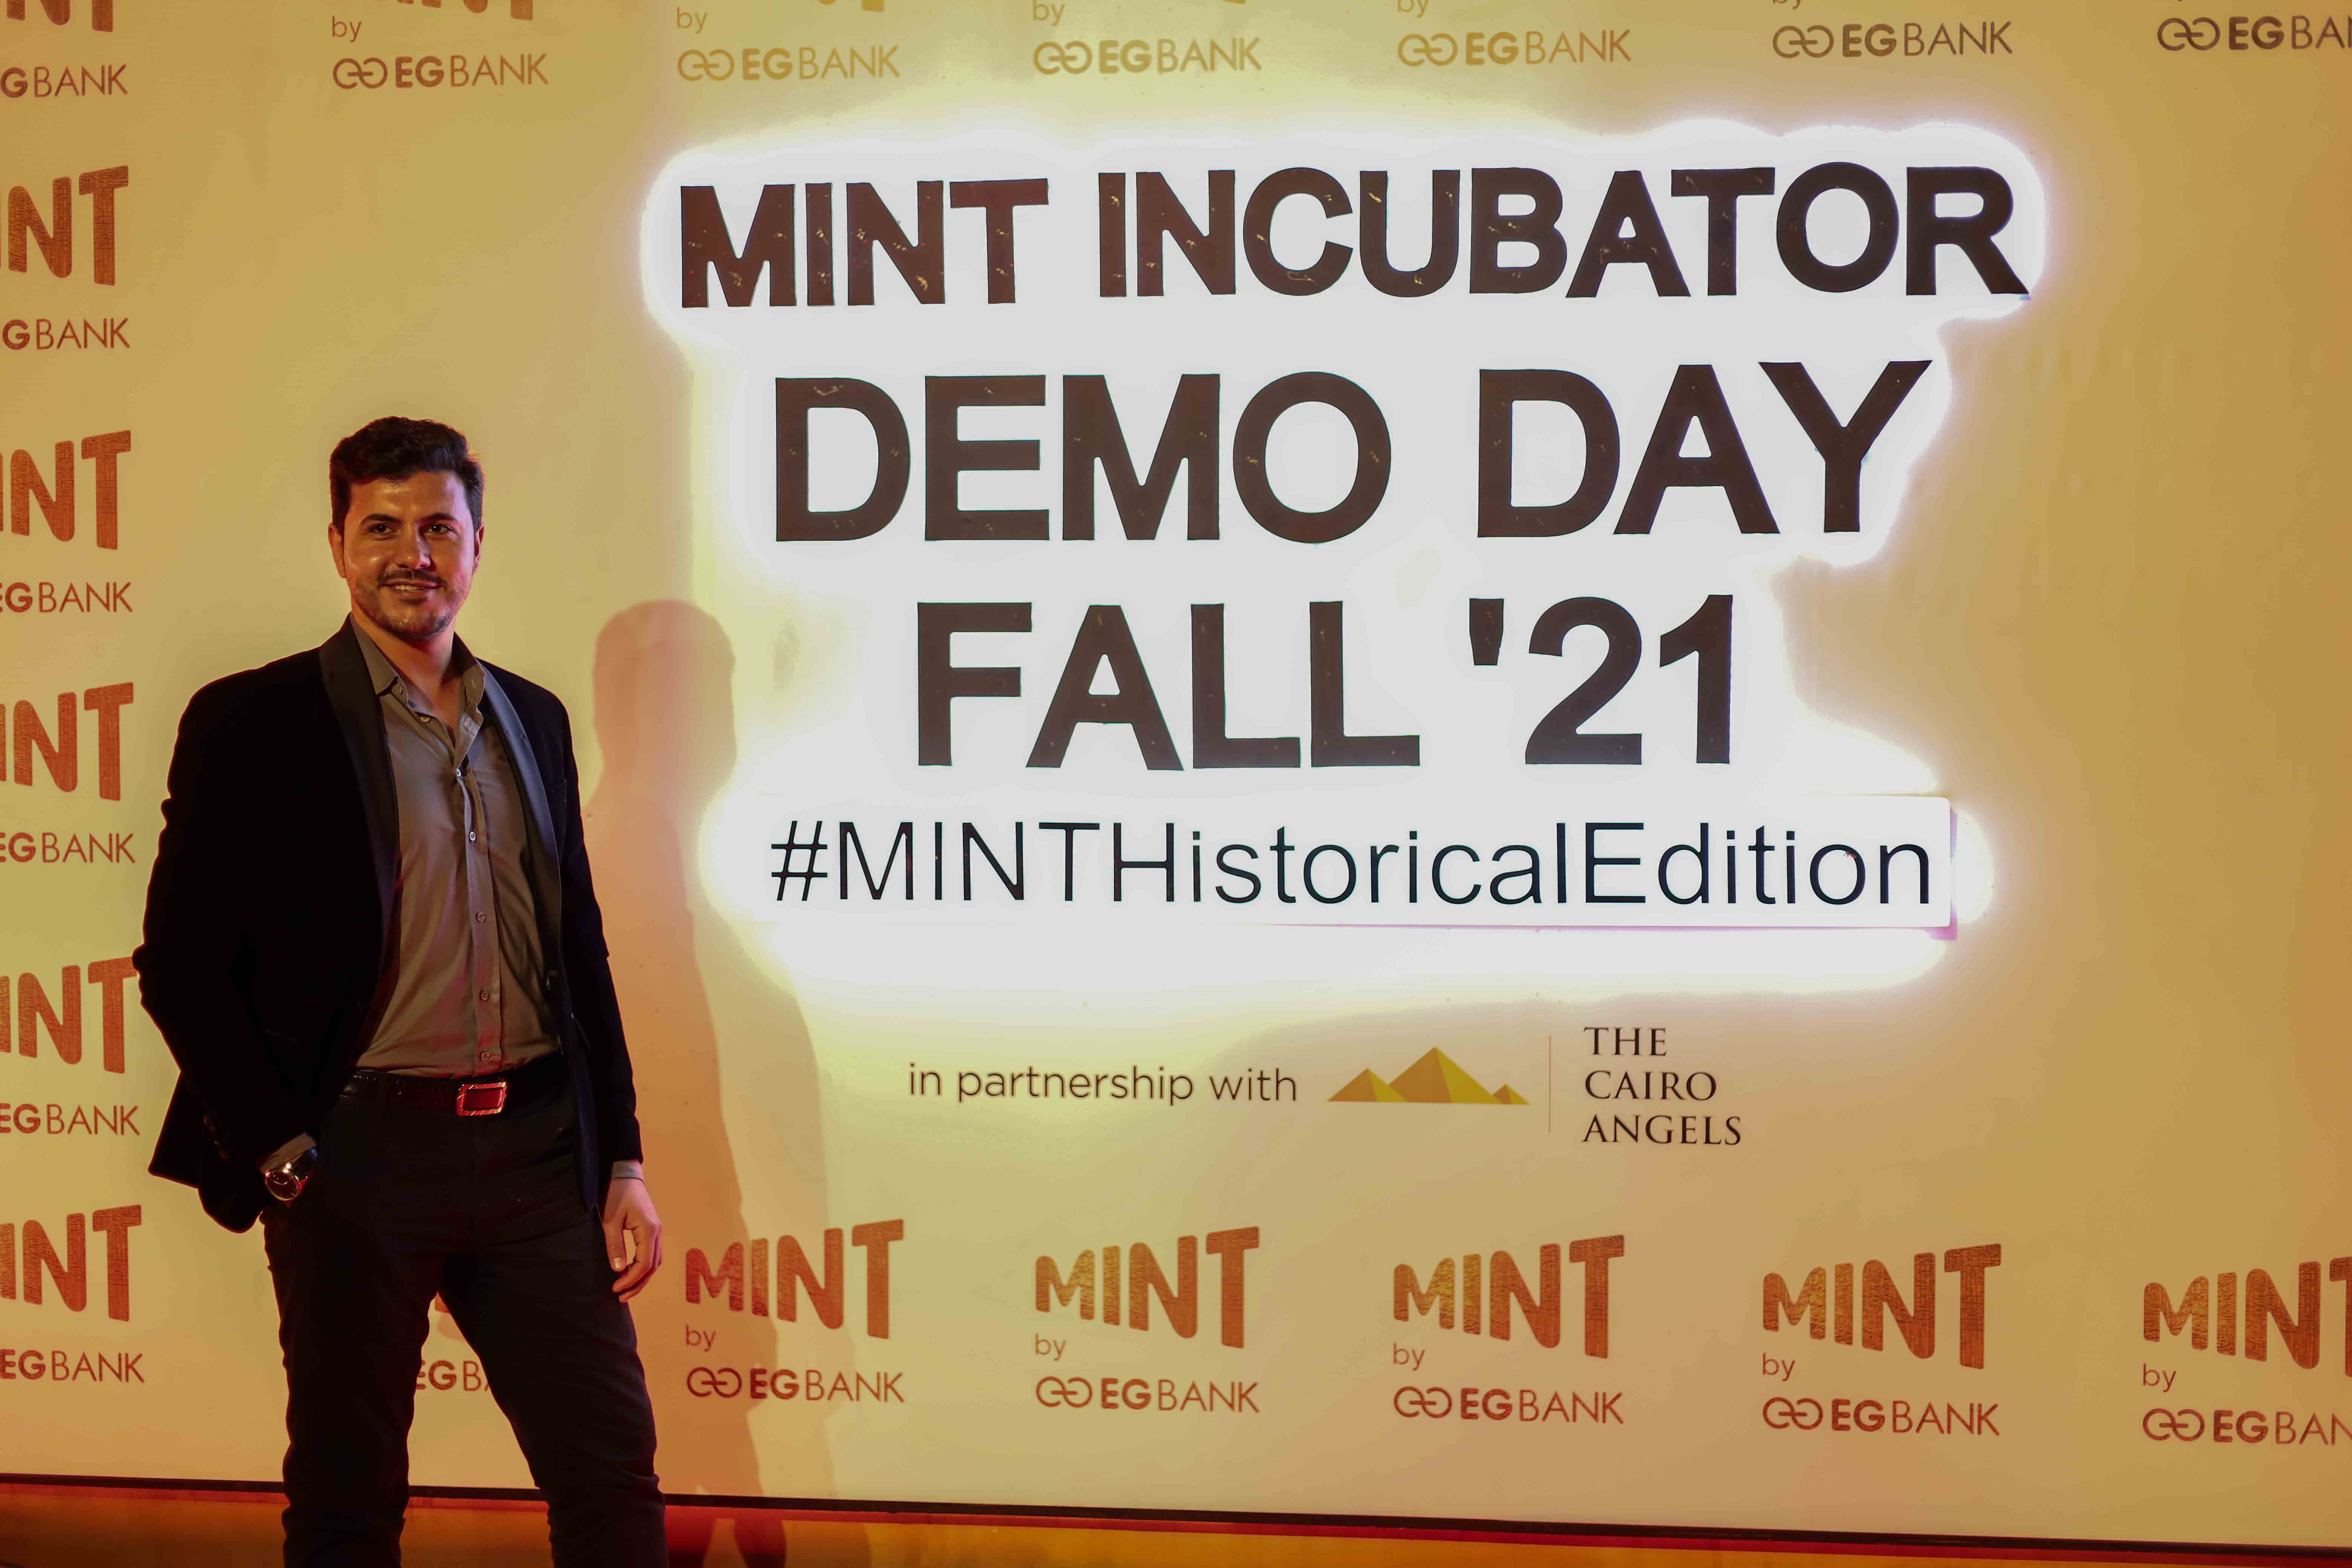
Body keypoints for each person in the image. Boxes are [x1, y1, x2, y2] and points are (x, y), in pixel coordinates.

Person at [134, 416, 670, 1567]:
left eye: (438, 527)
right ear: (337, 543)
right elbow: (180, 964)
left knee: (611, 1474)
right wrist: (282, 1151)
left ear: (477, 543)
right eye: (381, 527)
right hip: (357, 1157)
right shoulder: (253, 720)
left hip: (538, 1157)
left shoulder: (533, 717)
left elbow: (579, 953)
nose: (411, 553)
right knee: (349, 1497)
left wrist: (621, 1156)